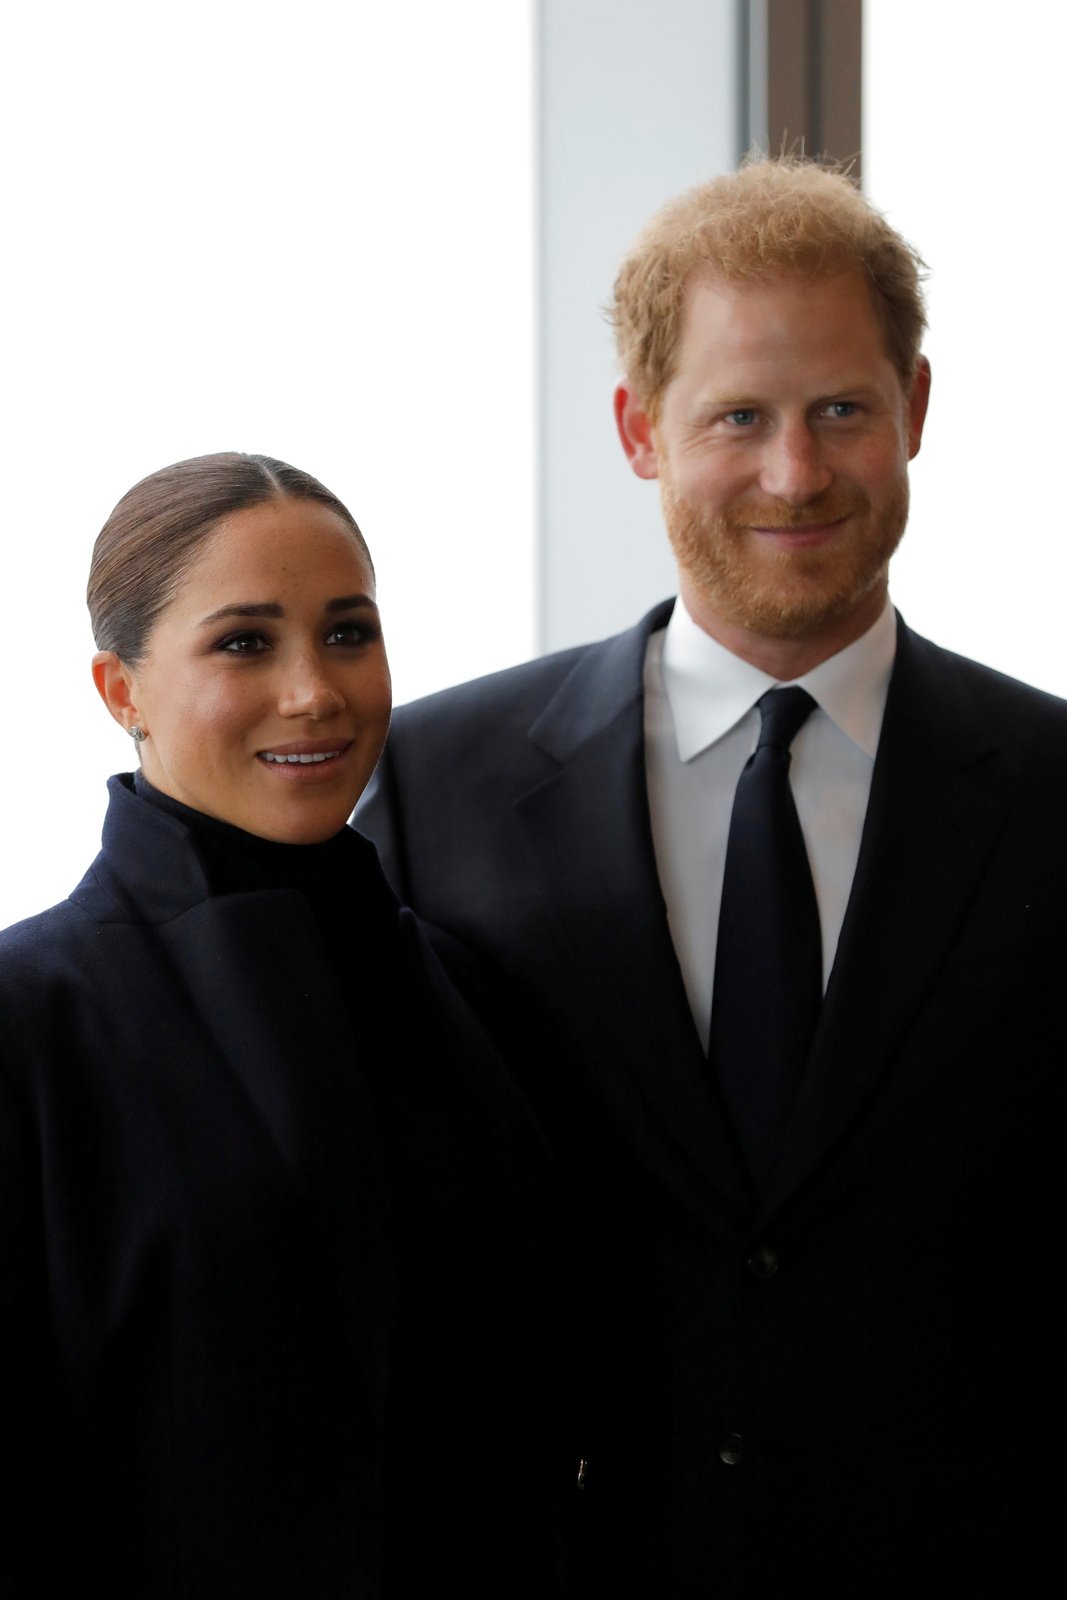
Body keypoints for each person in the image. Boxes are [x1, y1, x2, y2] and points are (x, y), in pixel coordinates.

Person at [356, 159, 1067, 1596]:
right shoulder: (437, 784)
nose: (792, 474)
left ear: (913, 412)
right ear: (638, 431)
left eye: (840, 412)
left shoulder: (1051, 791)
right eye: (735, 416)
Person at [0, 453, 567, 1598]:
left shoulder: (453, 983)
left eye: (347, 633)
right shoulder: (30, 1017)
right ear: (120, 689)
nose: (315, 690)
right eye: (244, 642)